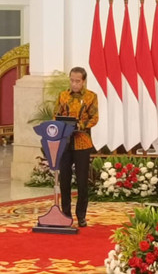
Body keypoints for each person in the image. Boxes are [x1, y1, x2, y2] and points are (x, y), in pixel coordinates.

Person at [53, 67, 98, 228]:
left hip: (82, 142)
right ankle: (66, 214)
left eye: (77, 81)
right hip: (65, 142)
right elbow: (55, 114)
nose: (74, 84)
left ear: (83, 81)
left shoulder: (91, 97)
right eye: (72, 80)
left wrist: (81, 125)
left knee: (82, 181)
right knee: (64, 180)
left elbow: (94, 117)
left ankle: (81, 215)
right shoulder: (63, 96)